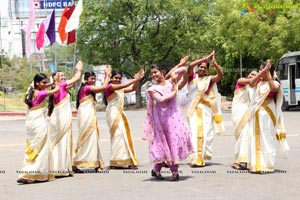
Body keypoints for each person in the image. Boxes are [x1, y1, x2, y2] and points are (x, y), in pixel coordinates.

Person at [143, 57, 193, 181]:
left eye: (156, 72)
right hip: (161, 120)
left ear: (162, 72)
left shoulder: (171, 82)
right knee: (164, 145)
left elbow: (183, 70)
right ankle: (169, 172)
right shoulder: (152, 89)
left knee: (173, 142)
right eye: (152, 73)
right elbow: (161, 100)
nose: (154, 75)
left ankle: (159, 171)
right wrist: (174, 92)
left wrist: (179, 66)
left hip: (174, 118)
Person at [17, 73, 60, 184]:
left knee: (33, 148)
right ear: (37, 83)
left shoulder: (30, 91)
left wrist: (50, 82)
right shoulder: (41, 94)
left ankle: (28, 172)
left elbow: (46, 86)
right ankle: (33, 173)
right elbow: (57, 89)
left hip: (31, 123)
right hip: (39, 123)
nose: (45, 84)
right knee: (41, 148)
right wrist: (57, 80)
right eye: (43, 83)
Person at [248, 60, 289, 173]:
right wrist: (262, 73)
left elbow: (273, 89)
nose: (260, 71)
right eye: (260, 69)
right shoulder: (258, 83)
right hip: (256, 113)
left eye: (263, 69)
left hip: (268, 114)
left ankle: (268, 165)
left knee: (267, 138)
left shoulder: (275, 83)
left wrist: (268, 74)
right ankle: (257, 165)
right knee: (255, 137)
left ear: (270, 72)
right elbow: (251, 83)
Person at [186, 51, 224, 167]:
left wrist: (214, 64)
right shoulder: (192, 78)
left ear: (207, 70)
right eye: (200, 67)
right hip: (194, 110)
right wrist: (205, 58)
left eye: (204, 68)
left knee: (206, 134)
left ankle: (201, 156)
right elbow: (190, 66)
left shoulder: (209, 80)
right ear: (197, 69)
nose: (202, 69)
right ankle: (195, 159)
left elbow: (220, 75)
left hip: (206, 111)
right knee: (195, 133)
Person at [72, 66, 112, 173]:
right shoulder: (86, 88)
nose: (93, 81)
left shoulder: (88, 89)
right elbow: (104, 88)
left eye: (94, 79)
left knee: (93, 139)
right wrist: (107, 75)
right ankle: (76, 162)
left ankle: (95, 163)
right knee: (87, 138)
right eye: (91, 79)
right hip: (86, 117)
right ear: (85, 80)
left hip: (88, 116)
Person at [48, 61, 83, 177]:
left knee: (60, 142)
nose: (63, 77)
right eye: (60, 75)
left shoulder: (58, 87)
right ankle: (59, 168)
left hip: (58, 117)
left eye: (63, 75)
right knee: (61, 141)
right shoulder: (60, 86)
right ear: (55, 78)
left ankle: (59, 167)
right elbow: (77, 78)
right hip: (60, 117)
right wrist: (79, 69)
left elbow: (73, 83)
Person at [105, 69, 144, 169]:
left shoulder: (120, 89)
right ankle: (116, 161)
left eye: (119, 78)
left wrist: (137, 80)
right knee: (118, 136)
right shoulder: (110, 87)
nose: (117, 80)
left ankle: (120, 161)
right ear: (111, 78)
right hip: (113, 114)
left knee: (123, 136)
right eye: (115, 78)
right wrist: (134, 78)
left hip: (120, 114)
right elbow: (124, 86)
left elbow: (133, 88)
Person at [231, 69, 258, 170]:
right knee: (241, 134)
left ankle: (241, 160)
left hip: (248, 113)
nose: (252, 76)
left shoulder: (255, 88)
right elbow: (251, 81)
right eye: (251, 74)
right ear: (248, 75)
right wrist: (262, 73)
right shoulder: (241, 81)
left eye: (254, 75)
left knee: (245, 135)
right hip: (239, 112)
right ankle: (239, 160)